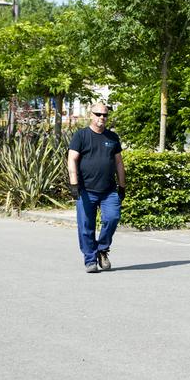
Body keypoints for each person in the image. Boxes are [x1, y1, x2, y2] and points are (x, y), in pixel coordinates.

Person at [67, 104, 125, 273]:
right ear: (90, 115)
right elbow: (72, 159)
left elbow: (119, 163)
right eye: (98, 114)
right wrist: (74, 184)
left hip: (109, 190)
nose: (101, 117)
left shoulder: (112, 137)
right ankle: (90, 260)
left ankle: (102, 249)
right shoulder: (81, 135)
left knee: (113, 218)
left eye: (104, 115)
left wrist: (122, 186)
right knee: (86, 226)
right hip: (86, 190)